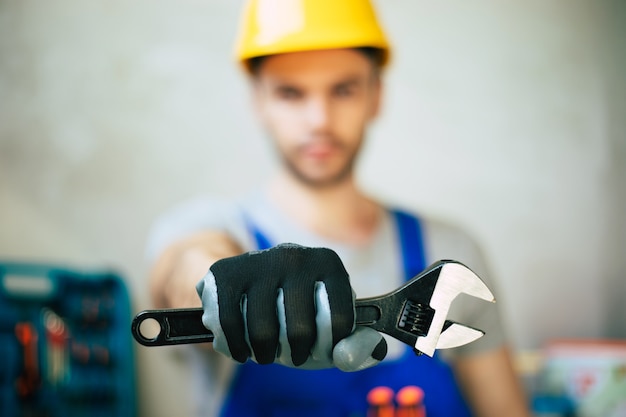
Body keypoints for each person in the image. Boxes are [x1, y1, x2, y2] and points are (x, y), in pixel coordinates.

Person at [147, 0, 530, 416]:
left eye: (343, 89)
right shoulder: (210, 225)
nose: (319, 120)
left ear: (376, 96)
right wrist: (222, 280)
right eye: (290, 93)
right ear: (258, 102)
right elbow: (185, 267)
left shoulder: (452, 249)